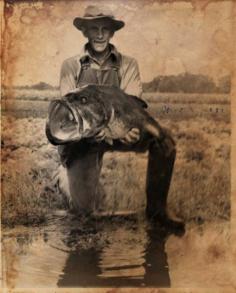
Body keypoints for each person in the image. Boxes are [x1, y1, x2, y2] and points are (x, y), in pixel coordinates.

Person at [58, 5, 184, 230]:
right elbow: (69, 110)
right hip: (83, 139)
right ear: (84, 32)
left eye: (104, 29)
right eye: (93, 28)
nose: (99, 34)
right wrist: (97, 133)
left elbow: (133, 106)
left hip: (119, 129)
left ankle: (157, 212)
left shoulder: (128, 64)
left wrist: (131, 130)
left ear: (112, 32)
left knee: (165, 141)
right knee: (83, 216)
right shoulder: (70, 66)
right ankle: (63, 181)